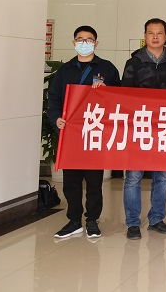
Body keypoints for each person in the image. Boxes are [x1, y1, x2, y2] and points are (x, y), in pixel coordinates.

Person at [49, 26, 121, 239]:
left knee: (94, 180)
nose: (84, 43)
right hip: (70, 133)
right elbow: (54, 99)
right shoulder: (64, 71)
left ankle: (92, 220)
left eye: (89, 40)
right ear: (73, 43)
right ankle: (73, 221)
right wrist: (56, 118)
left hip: (95, 132)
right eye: (80, 39)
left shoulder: (107, 68)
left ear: (96, 43)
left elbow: (120, 97)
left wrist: (106, 89)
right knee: (71, 180)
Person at [121, 18, 166, 240]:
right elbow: (124, 95)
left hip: (165, 126)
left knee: (163, 177)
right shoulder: (134, 62)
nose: (155, 37)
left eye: (159, 33)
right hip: (139, 126)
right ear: (145, 36)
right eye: (151, 33)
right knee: (133, 177)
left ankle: (157, 219)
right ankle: (132, 223)